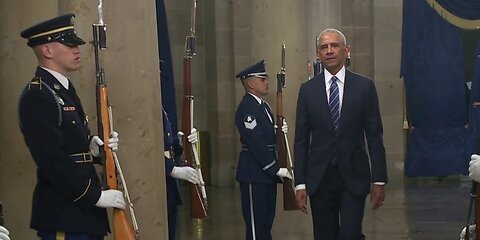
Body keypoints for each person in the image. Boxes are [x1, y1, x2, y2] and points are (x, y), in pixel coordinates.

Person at [19, 13, 126, 240]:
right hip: (65, 213)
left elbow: (69, 145)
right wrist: (94, 196)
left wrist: (94, 149)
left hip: (82, 216)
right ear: (47, 51)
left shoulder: (62, 89)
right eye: (69, 44)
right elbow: (51, 159)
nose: (77, 49)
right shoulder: (38, 95)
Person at [294, 28, 388, 240]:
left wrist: (379, 180)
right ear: (318, 54)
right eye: (323, 47)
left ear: (347, 50)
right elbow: (301, 139)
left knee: (350, 234)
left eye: (334, 45)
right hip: (320, 179)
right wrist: (300, 183)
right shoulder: (307, 90)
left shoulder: (364, 87)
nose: (329, 51)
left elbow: (374, 135)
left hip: (353, 177)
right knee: (324, 235)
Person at [234, 60, 292, 240]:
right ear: (251, 84)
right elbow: (256, 142)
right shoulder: (247, 109)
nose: (267, 82)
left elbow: (266, 137)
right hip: (254, 172)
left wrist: (278, 133)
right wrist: (275, 168)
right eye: (262, 79)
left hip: (265, 174)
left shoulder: (263, 106)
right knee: (256, 225)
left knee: (266, 222)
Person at [161, 108, 201, 240]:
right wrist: (172, 169)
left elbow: (166, 144)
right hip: (158, 181)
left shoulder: (160, 108)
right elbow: (147, 147)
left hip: (168, 183)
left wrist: (180, 142)